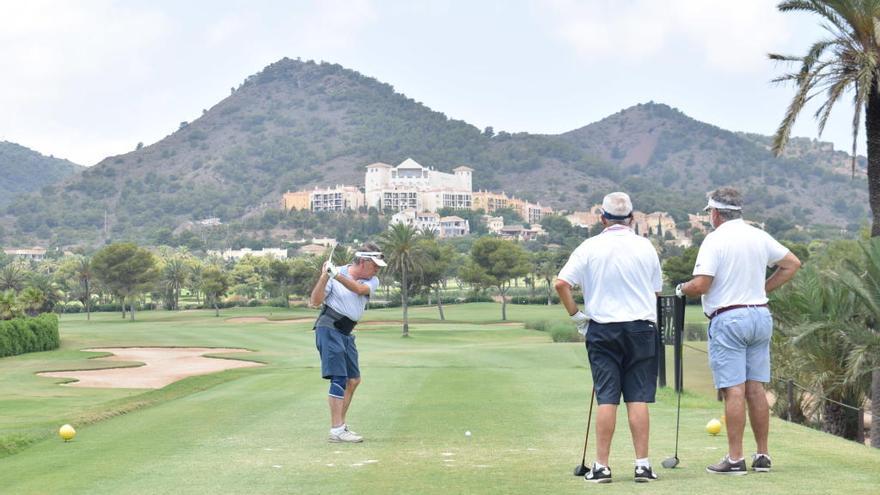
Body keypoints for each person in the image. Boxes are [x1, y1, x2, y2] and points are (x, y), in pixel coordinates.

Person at [676, 187, 800, 475]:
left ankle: (734, 460)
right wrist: (762, 289)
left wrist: (681, 289)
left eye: (710, 213)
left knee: (734, 389)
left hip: (729, 319)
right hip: (760, 316)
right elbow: (792, 264)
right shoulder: (758, 235)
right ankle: (763, 456)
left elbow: (701, 284)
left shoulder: (714, 239)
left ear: (716, 213)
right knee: (755, 389)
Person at [555, 192, 663, 483]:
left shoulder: (589, 246)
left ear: (602, 218)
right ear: (631, 218)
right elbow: (655, 291)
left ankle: (601, 466)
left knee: (607, 398)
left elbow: (561, 283)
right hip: (641, 329)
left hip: (603, 329)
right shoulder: (645, 246)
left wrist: (577, 317)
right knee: (637, 397)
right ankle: (643, 465)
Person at [309, 243, 386, 443]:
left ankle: (340, 426)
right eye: (375, 265)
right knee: (339, 378)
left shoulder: (372, 281)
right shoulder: (335, 274)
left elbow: (359, 290)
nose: (378, 270)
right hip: (329, 328)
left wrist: (335, 275)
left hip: (346, 332)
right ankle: (337, 430)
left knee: (353, 380)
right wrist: (324, 276)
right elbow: (315, 302)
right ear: (362, 261)